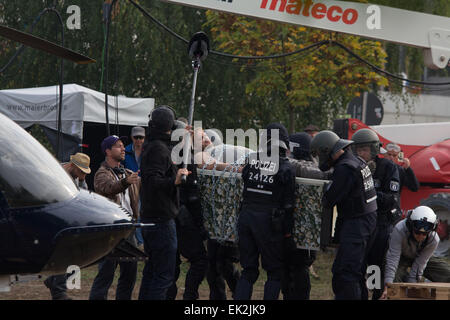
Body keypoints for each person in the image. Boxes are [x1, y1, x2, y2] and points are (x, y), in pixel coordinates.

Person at [311, 130, 377, 300]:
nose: (319, 158)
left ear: (327, 151)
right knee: (349, 271)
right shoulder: (355, 161)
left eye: (319, 154)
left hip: (357, 224)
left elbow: (329, 200)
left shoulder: (345, 168)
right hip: (363, 221)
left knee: (346, 274)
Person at [234, 123, 296, 300]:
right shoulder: (286, 168)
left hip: (246, 218)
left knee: (248, 270)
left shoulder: (252, 162)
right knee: (275, 272)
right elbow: (289, 205)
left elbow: (246, 180)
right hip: (269, 222)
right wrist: (288, 234)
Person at [138, 105, 190, 300]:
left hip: (153, 218)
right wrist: (174, 181)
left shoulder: (154, 144)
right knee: (162, 276)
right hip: (160, 220)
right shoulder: (158, 149)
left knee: (152, 272)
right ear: (170, 125)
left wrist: (185, 137)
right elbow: (152, 182)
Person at [351, 128, 401, 300]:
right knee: (358, 264)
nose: (361, 153)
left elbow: (391, 199)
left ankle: (376, 295)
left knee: (375, 264)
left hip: (381, 223)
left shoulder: (388, 167)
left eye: (365, 149)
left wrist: (368, 193)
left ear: (373, 150)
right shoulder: (353, 167)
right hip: (359, 223)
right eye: (358, 149)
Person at [89, 135, 140, 300]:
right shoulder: (101, 173)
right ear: (108, 151)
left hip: (129, 227)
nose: (123, 149)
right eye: (118, 146)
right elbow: (107, 188)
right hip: (111, 229)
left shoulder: (128, 173)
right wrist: (125, 182)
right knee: (106, 272)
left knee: (130, 272)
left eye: (123, 146)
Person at [280, 132, 330, 300]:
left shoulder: (304, 166)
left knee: (297, 270)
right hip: (299, 227)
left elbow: (305, 169)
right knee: (291, 270)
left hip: (301, 228)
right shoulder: (307, 165)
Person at [166, 119, 209, 300]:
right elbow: (191, 195)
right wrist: (200, 224)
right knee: (199, 260)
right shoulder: (184, 158)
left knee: (172, 263)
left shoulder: (165, 153)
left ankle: (171, 294)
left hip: (169, 214)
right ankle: (189, 296)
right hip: (183, 216)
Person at [44, 152, 91, 300]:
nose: (82, 175)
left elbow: (85, 196)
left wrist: (82, 181)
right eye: (81, 171)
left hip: (71, 220)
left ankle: (53, 281)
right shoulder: (55, 175)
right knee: (63, 254)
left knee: (77, 255)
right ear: (72, 166)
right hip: (56, 219)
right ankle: (59, 292)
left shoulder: (78, 178)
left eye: (85, 172)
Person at [380, 206, 450, 299]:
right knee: (394, 285)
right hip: (400, 257)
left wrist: (412, 286)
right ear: (411, 225)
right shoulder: (399, 229)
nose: (420, 236)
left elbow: (420, 264)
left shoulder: (434, 239)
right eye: (417, 232)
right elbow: (393, 258)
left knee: (447, 272)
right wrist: (388, 286)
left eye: (425, 233)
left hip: (420, 257)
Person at [123, 126, 146, 247]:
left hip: (146, 187)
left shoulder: (148, 151)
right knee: (135, 212)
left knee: (143, 213)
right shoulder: (125, 151)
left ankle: (141, 241)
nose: (138, 140)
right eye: (136, 137)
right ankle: (139, 242)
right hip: (131, 187)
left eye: (141, 137)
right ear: (132, 137)